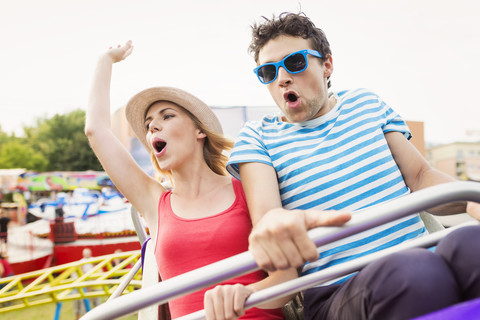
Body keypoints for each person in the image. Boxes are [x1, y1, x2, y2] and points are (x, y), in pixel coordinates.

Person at [226, 12, 480, 320]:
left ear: (327, 65)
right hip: (338, 289)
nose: (282, 78)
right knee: (414, 272)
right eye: (268, 71)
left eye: (294, 62)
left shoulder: (366, 104)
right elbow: (269, 218)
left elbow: (421, 175)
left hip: (422, 254)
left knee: (471, 243)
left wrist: (470, 198)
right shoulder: (259, 137)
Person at [85, 40, 298, 319]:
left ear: (200, 131)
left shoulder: (247, 189)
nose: (153, 127)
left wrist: (245, 296)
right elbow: (96, 131)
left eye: (167, 116)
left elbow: (287, 279)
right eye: (149, 124)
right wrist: (105, 60)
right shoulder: (153, 202)